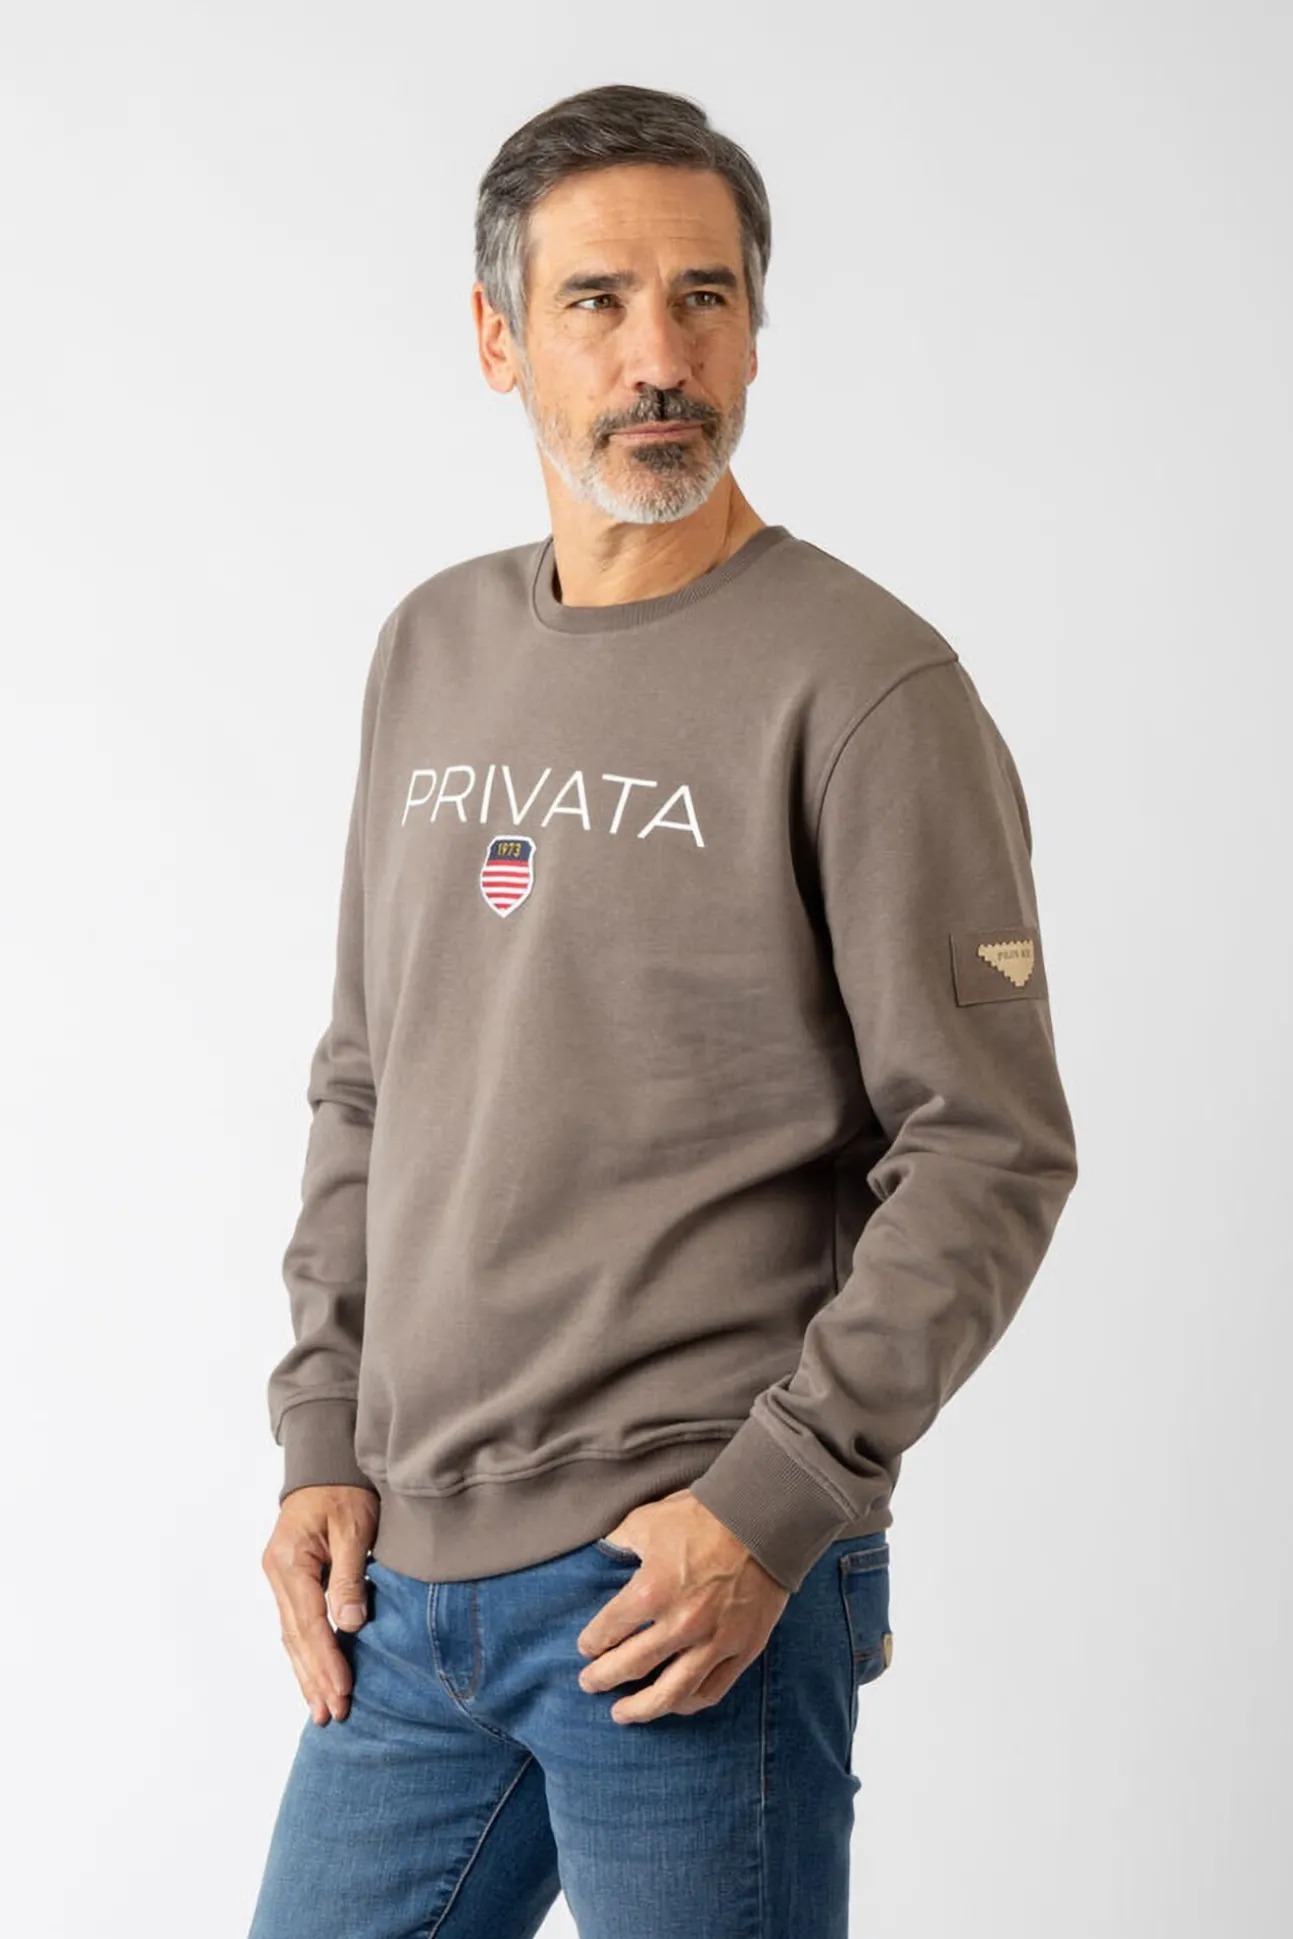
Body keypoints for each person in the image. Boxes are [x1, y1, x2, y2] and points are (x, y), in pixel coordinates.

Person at [248, 81, 1079, 1939]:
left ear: (756, 331)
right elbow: (369, 1077)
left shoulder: (867, 687)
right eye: (599, 302)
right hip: (405, 1593)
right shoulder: (431, 647)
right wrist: (321, 1436)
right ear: (498, 339)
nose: (660, 359)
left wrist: (773, 1499)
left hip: (681, 1580)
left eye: (706, 299)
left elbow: (989, 1147)